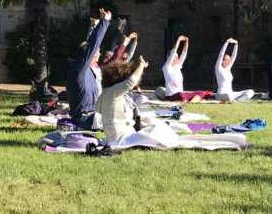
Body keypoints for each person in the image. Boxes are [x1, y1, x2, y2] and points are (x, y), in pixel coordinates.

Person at [96, 57, 246, 150]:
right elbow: (131, 81)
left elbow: (101, 110)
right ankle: (232, 142)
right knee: (165, 134)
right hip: (121, 140)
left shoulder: (108, 93)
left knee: (164, 131)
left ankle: (234, 140)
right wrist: (141, 66)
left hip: (122, 136)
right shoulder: (112, 93)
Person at [66, 8, 111, 129]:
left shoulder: (88, 69)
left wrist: (94, 26)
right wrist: (104, 22)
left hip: (92, 115)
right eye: (97, 52)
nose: (99, 53)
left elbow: (90, 45)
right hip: (84, 119)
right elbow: (91, 47)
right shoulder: (79, 69)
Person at [160, 35, 214, 102]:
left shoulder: (178, 66)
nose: (176, 58)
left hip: (182, 94)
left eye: (177, 57)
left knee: (201, 92)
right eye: (175, 57)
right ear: (169, 58)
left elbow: (184, 54)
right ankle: (192, 100)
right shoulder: (166, 67)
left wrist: (187, 41)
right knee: (181, 95)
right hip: (171, 96)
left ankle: (191, 102)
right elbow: (173, 52)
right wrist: (178, 40)